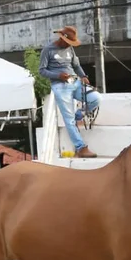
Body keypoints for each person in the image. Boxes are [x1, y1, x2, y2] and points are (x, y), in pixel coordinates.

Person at [38, 25, 102, 159]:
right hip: (60, 86)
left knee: (95, 98)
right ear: (62, 39)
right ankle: (81, 147)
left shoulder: (70, 49)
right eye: (68, 42)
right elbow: (42, 71)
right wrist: (58, 75)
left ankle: (79, 115)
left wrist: (83, 76)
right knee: (69, 119)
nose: (69, 45)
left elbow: (76, 65)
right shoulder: (48, 50)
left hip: (75, 81)